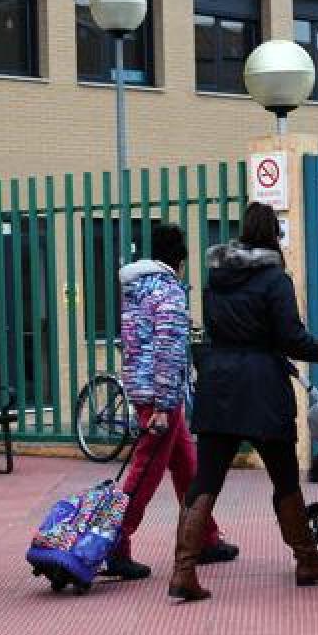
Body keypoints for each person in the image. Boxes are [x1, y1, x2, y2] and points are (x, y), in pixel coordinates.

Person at [168, 203, 318, 602]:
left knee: (206, 478)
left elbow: (215, 328)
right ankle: (307, 559)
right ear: (273, 237)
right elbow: (290, 338)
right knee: (283, 476)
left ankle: (183, 570)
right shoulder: (274, 280)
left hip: (219, 385)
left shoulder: (217, 277)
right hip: (262, 389)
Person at [105, 224, 238, 581]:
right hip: (159, 397)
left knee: (188, 466)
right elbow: (167, 350)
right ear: (180, 261)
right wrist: (164, 405)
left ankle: (205, 537)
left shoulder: (137, 289)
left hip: (147, 389)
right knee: (144, 472)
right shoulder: (169, 292)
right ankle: (114, 543)